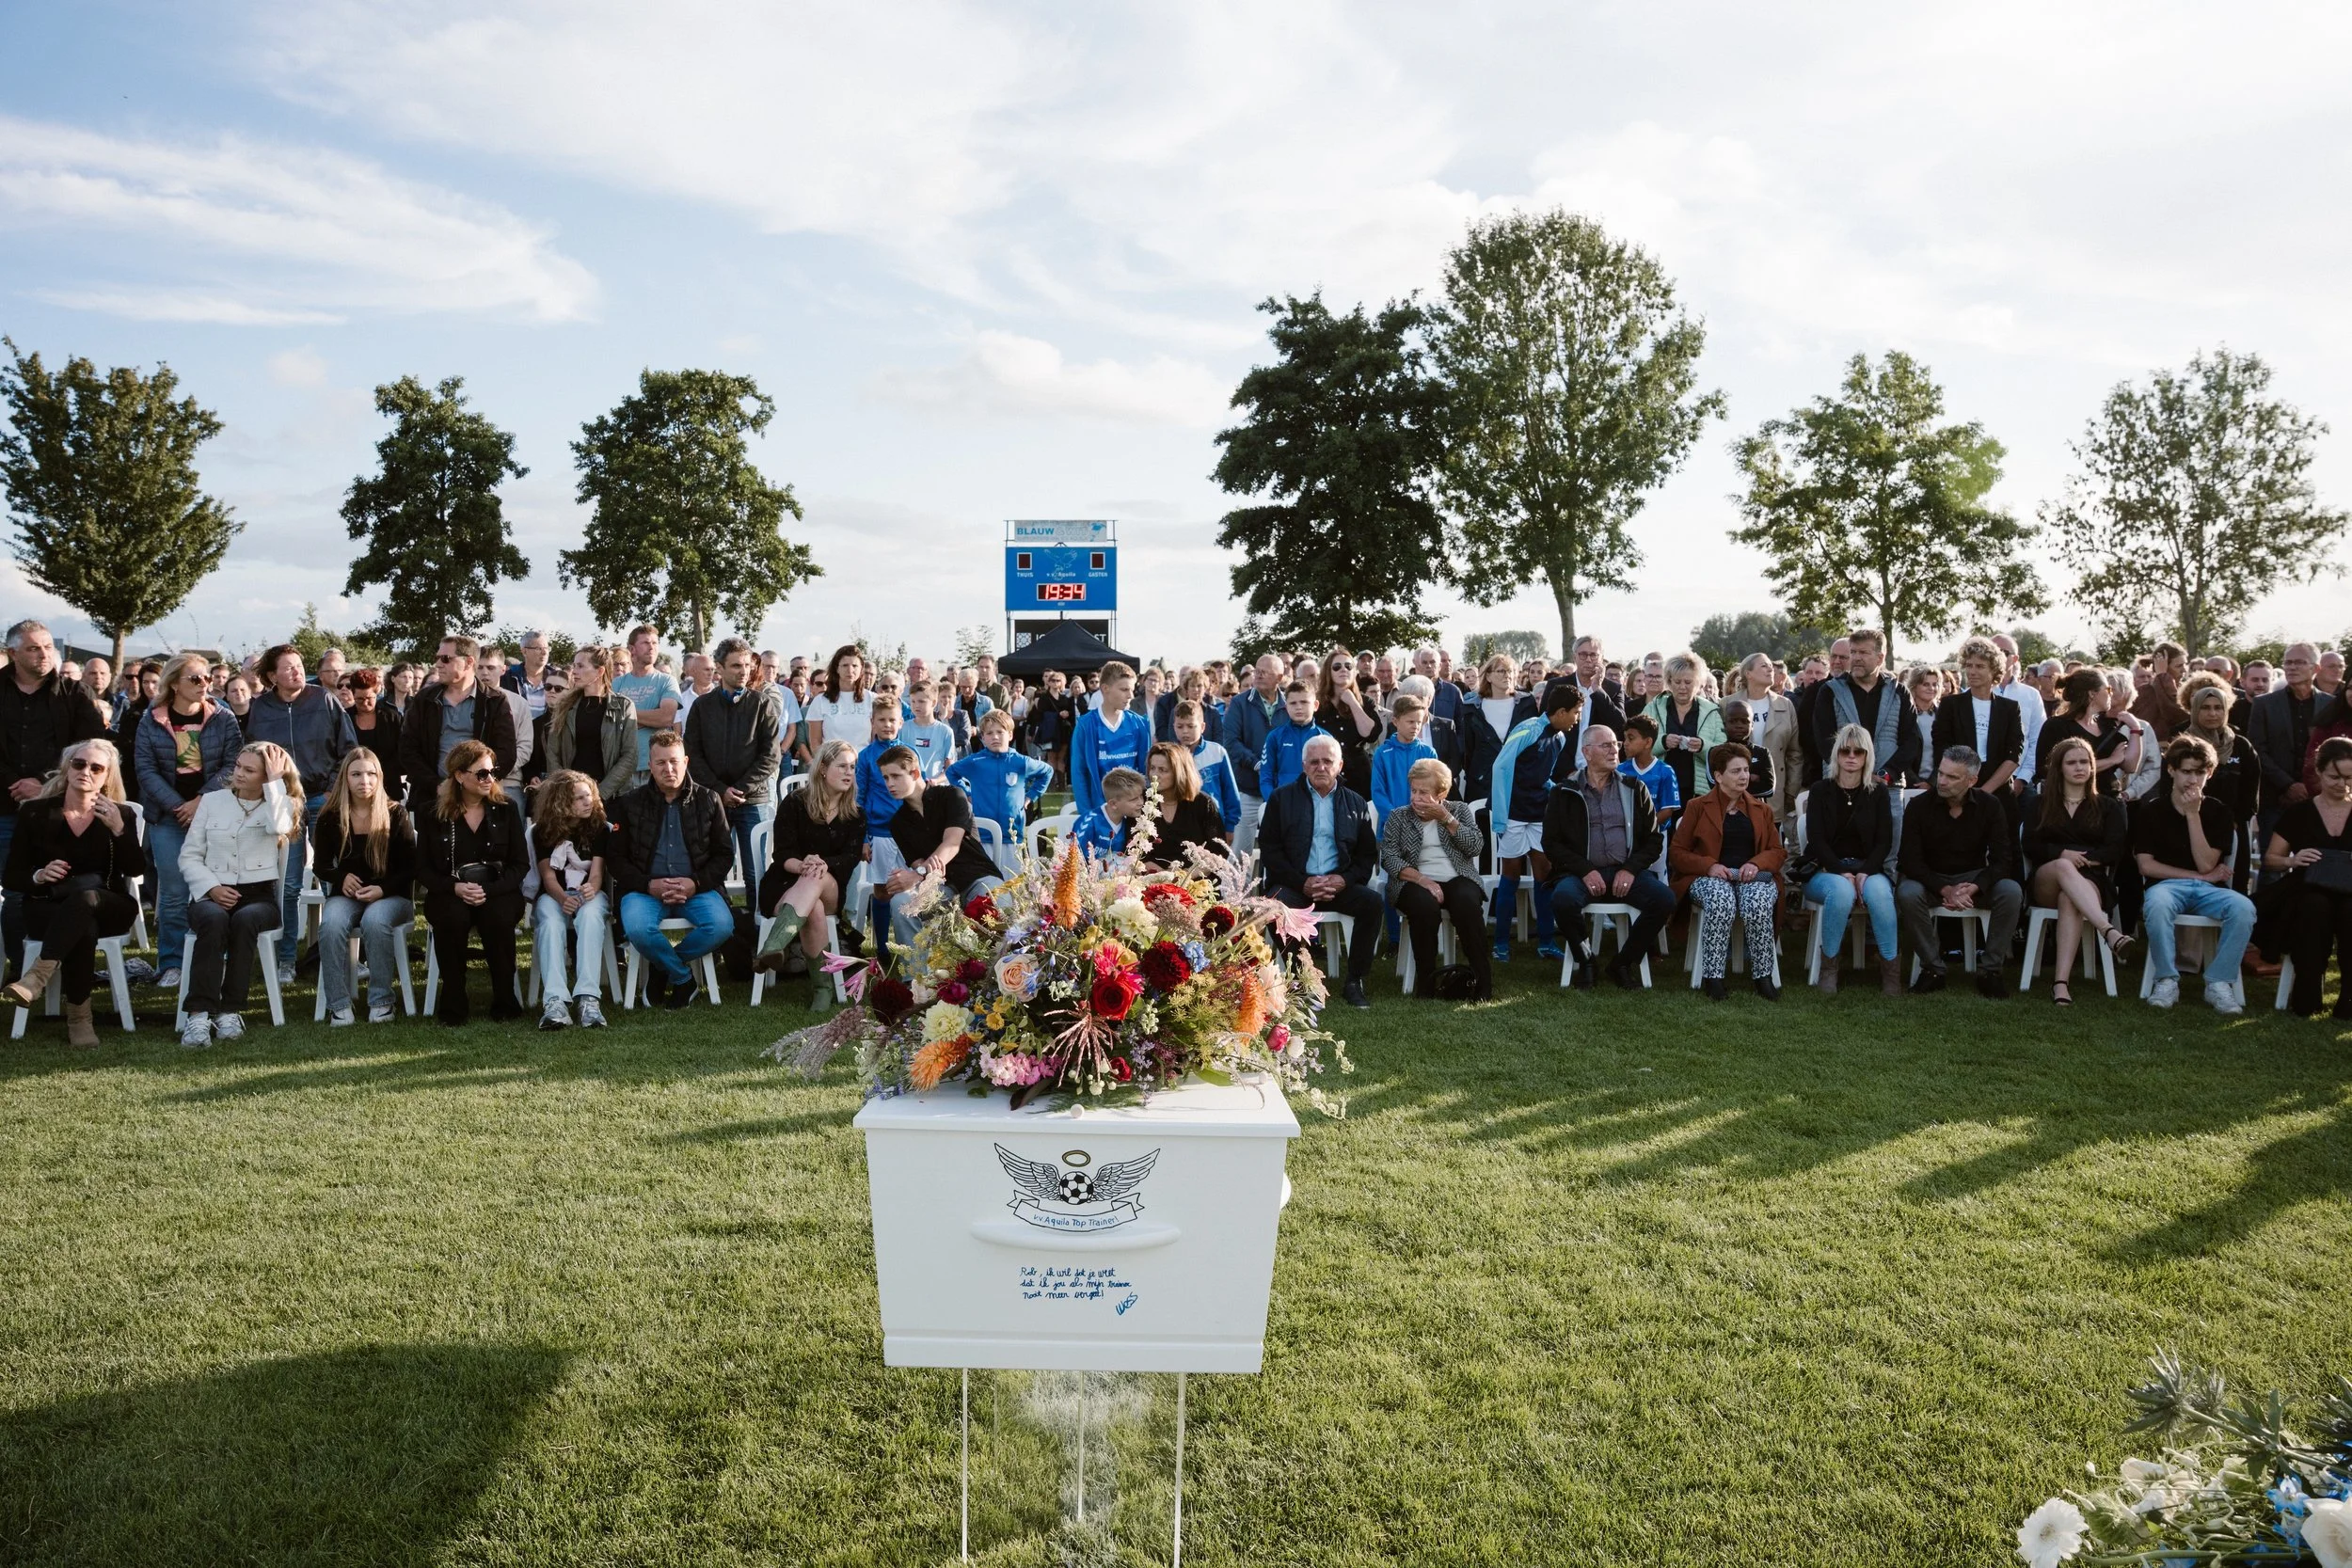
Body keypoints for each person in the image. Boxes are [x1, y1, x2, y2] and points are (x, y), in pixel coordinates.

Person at [0, 738, 140, 1047]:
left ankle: (36, 977)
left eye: (96, 767)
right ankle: (79, 1017)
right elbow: (12, 876)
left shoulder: (120, 814)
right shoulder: (35, 813)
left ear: (107, 777)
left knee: (87, 899)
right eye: (79, 764)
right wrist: (38, 875)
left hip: (109, 903)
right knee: (83, 922)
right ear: (67, 768)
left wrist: (119, 830)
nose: (86, 771)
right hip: (47, 906)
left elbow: (135, 869)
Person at [0, 620, 109, 974]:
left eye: (48, 646)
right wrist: (15, 783)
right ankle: (22, 969)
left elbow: (93, 747)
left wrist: (43, 783)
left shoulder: (75, 694)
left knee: (62, 888)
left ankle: (65, 970)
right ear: (13, 653)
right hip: (4, 807)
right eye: (34, 648)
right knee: (15, 890)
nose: (44, 654)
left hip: (60, 810)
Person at [130, 652, 242, 994]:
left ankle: (213, 958)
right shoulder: (152, 720)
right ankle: (173, 963)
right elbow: (145, 770)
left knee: (213, 889)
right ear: (174, 683)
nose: (204, 684)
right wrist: (180, 806)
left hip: (213, 814)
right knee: (175, 892)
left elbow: (233, 764)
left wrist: (200, 802)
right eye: (195, 679)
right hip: (168, 817)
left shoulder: (223, 718)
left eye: (207, 678)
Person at [177, 740, 303, 1046]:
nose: (240, 774)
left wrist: (275, 783)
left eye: (250, 770)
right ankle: (198, 1015)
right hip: (211, 893)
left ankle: (230, 1011)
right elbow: (189, 855)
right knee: (213, 920)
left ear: (267, 776)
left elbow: (279, 827)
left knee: (246, 920)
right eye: (238, 767)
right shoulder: (212, 801)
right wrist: (212, 888)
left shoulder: (282, 803)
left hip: (258, 897)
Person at [245, 643, 358, 982]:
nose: (297, 671)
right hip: (282, 803)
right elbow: (252, 753)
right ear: (270, 676)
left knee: (330, 878)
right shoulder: (260, 709)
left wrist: (331, 789)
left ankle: (339, 956)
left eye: (298, 665)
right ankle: (286, 960)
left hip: (323, 800)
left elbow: (348, 748)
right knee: (288, 884)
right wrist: (272, 791)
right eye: (288, 667)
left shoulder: (323, 699)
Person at [2134, 734, 2256, 1015]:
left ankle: (2219, 983)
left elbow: (2205, 862)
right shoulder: (2153, 811)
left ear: (2210, 773)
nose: (2193, 780)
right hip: (2165, 886)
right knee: (2158, 904)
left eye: (2200, 772)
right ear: (2171, 770)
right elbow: (2146, 866)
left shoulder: (2219, 811)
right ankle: (2166, 979)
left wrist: (2192, 815)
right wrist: (2200, 877)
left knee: (2243, 908)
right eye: (2186, 772)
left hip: (2209, 891)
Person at [611, 730, 734, 1010]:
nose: (669, 769)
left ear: (686, 761)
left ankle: (663, 968)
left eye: (675, 761)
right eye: (661, 763)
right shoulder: (629, 804)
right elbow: (616, 859)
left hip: (697, 888)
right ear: (650, 765)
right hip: (645, 890)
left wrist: (695, 883)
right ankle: (682, 977)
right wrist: (647, 885)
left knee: (722, 926)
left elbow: (724, 854)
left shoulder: (709, 800)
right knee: (639, 929)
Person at [1543, 726, 1672, 990]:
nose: (1615, 749)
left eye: (1616, 743)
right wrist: (1584, 870)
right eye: (1606, 745)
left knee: (1664, 900)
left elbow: (1653, 840)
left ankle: (1622, 963)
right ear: (1586, 752)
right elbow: (1551, 843)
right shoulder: (1563, 791)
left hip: (1625, 871)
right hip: (1581, 874)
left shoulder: (1634, 788)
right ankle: (1586, 960)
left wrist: (1630, 869)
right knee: (1562, 899)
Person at [1258, 735, 1381, 1008]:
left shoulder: (1355, 803)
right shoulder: (1281, 799)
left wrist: (1343, 879)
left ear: (1340, 765)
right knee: (1274, 906)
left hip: (1339, 885)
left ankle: (1354, 981)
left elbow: (1366, 855)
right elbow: (1271, 851)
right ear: (1304, 766)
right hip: (1295, 885)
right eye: (1314, 762)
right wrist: (1303, 883)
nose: (1321, 767)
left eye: (1328, 761)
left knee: (1372, 903)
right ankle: (1306, 978)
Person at [416, 738, 530, 1026]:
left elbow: (520, 865)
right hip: (449, 890)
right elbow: (423, 869)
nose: (489, 779)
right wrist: (454, 887)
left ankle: (505, 1000)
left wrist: (488, 890)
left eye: (492, 772)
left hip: (499, 888)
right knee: (451, 918)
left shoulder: (506, 807)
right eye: (481, 774)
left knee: (499, 917)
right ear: (459, 775)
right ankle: (454, 1001)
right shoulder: (432, 813)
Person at [1896, 745, 2024, 999]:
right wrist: (1945, 889)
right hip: (1932, 882)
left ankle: (1991, 971)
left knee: (2011, 891)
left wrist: (1975, 886)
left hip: (1973, 881)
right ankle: (1933, 969)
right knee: (1907, 892)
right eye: (1941, 773)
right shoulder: (1919, 806)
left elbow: (2002, 860)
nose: (1942, 781)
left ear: (1972, 780)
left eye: (1952, 777)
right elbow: (1909, 861)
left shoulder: (1990, 806)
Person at [1669, 742, 1785, 1001]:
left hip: (1751, 877)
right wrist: (1709, 865)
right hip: (1708, 877)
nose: (1744, 776)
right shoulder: (1697, 807)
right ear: (1718, 775)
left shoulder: (1762, 809)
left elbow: (1778, 851)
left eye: (1745, 770)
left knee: (1756, 902)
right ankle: (1713, 977)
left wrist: (1756, 864)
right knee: (1720, 900)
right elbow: (1677, 852)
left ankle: (1763, 977)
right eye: (1736, 771)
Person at [2022, 735, 2132, 1006]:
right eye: (2072, 763)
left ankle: (2061, 984)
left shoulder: (2108, 806)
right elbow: (2030, 844)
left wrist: (2086, 860)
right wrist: (2063, 854)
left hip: (2091, 880)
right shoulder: (2040, 803)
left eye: (2085, 762)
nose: (2080, 767)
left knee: (2069, 898)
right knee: (2062, 865)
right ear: (2060, 768)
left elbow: (2116, 849)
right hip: (2047, 879)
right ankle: (2109, 932)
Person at [311, 749, 417, 1026]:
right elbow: (320, 865)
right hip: (347, 895)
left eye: (371, 774)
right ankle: (339, 1004)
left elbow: (411, 867)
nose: (364, 781)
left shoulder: (396, 813)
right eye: (356, 774)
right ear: (345, 778)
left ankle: (381, 1000)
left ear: (380, 777)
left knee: (375, 920)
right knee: (331, 924)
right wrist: (340, 878)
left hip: (391, 895)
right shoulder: (330, 816)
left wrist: (382, 890)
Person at [755, 739, 864, 997]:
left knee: (818, 875)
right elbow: (782, 854)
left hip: (831, 888)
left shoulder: (856, 814)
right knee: (811, 901)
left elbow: (850, 858)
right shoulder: (795, 803)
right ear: (823, 768)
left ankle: (775, 944)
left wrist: (823, 864)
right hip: (784, 884)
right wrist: (804, 865)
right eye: (842, 766)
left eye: (852, 767)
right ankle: (822, 990)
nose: (849, 773)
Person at [1800, 724, 1900, 997]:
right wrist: (1843, 872)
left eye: (1859, 751)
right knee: (1841, 891)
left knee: (1880, 893)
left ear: (1868, 756)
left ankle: (1891, 971)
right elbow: (1816, 840)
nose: (1851, 756)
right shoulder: (1821, 790)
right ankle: (1829, 968)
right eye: (1845, 750)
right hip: (1825, 869)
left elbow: (1884, 841)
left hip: (1867, 869)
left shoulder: (1877, 792)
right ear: (1837, 754)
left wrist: (1865, 873)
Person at [873, 744, 1004, 950]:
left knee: (997, 900)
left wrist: (917, 874)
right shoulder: (898, 823)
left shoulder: (952, 795)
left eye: (895, 776)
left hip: (976, 876)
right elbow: (920, 864)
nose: (890, 784)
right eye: (886, 778)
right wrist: (915, 876)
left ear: (915, 773)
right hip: (940, 885)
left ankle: (1003, 973)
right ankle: (915, 979)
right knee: (901, 904)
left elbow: (951, 844)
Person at [1487, 683, 1583, 962]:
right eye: (1575, 713)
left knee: (1545, 876)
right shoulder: (1529, 729)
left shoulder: (1561, 739)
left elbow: (1541, 776)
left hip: (1540, 816)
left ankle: (1546, 942)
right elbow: (1500, 766)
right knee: (1511, 877)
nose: (1577, 719)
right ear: (1562, 711)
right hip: (1515, 815)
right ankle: (1501, 944)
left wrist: (1560, 789)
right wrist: (1501, 815)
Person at [2257, 735, 2352, 1018]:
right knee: (2314, 907)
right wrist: (2293, 859)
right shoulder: (2300, 812)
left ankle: (2348, 1001)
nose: (2342, 784)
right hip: (2308, 888)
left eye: (2349, 778)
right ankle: (2307, 994)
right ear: (2319, 771)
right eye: (2335, 776)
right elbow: (2271, 860)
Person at [1379, 757, 1490, 1000]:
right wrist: (1423, 880)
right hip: (1413, 881)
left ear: (1441, 793)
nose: (1416, 797)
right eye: (1414, 791)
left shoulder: (1459, 811)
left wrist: (1446, 818)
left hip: (1457, 877)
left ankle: (1483, 981)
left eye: (1424, 792)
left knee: (1467, 903)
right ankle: (1426, 983)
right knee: (1424, 906)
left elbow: (1475, 847)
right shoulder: (1399, 817)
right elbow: (1389, 858)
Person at [683, 637, 783, 902]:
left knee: (755, 873)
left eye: (747, 665)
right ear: (720, 668)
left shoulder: (762, 705)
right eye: (736, 665)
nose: (743, 671)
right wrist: (719, 790)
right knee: (710, 870)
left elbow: (771, 755)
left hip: (752, 800)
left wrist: (739, 789)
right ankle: (724, 931)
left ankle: (758, 931)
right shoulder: (702, 707)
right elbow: (692, 754)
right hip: (712, 800)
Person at [529, 768, 612, 1030]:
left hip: (589, 891)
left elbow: (597, 873)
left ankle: (588, 998)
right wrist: (563, 897)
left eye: (589, 796)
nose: (588, 801)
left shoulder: (599, 828)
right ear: (561, 801)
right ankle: (555, 1001)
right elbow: (548, 877)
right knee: (551, 921)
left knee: (590, 915)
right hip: (555, 893)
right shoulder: (542, 830)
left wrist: (591, 889)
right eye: (579, 798)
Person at [398, 635, 516, 818]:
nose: (438, 664)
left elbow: (506, 753)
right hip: (431, 797)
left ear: (469, 662)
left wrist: (477, 783)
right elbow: (407, 748)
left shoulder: (494, 701)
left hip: (480, 801)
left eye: (445, 659)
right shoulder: (425, 699)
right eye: (437, 657)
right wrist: (437, 785)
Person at [2178, 671, 2260, 890]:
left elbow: (2251, 791)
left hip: (2233, 826)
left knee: (2235, 885)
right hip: (2190, 822)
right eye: (2205, 707)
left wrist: (2233, 821)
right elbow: (2171, 786)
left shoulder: (2241, 745)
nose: (2212, 713)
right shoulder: (2183, 743)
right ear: (2195, 710)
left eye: (2218, 707)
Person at [1931, 638, 2025, 811]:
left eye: (1980, 666)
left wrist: (1985, 791)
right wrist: (1963, 788)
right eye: (1969, 665)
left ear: (1994, 670)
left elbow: (2013, 755)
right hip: (1956, 790)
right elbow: (1941, 747)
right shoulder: (1950, 705)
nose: (1972, 671)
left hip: (1999, 792)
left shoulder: (2010, 709)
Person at [540, 646, 641, 806]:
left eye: (580, 666)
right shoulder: (565, 705)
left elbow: (630, 756)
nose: (574, 671)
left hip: (611, 798)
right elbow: (553, 752)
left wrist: (599, 795)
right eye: (574, 666)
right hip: (570, 797)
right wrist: (566, 789)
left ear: (600, 672)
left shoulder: (624, 706)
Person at [2248, 642, 2323, 842]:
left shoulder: (2330, 704)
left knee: (2312, 862)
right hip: (2275, 798)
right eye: (2288, 662)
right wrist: (2288, 785)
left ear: (2315, 668)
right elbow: (2257, 749)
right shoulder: (2264, 704)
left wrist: (2311, 786)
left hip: (2319, 798)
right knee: (2271, 865)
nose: (2291, 667)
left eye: (2299, 662)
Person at [1814, 629, 1905, 789]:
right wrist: (1854, 774)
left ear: (1880, 658)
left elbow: (1910, 740)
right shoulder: (1830, 691)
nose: (1856, 657)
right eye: (1853, 652)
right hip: (1841, 786)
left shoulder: (1899, 692)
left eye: (1863, 652)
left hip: (1888, 787)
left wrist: (1887, 773)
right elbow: (1823, 738)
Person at [946, 709, 1054, 843]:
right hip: (982, 835)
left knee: (1012, 864)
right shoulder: (975, 762)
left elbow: (1047, 771)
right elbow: (951, 772)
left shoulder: (1021, 762)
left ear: (1010, 735)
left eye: (1000, 732)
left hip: (1013, 835)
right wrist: (967, 793)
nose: (995, 737)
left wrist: (1030, 797)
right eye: (990, 733)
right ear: (983, 738)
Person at [1071, 660, 1152, 818]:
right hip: (1100, 810)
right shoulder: (1086, 725)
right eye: (1124, 689)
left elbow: (1145, 769)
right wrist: (1087, 814)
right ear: (1105, 689)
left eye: (1132, 689)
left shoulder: (1139, 724)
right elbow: (1078, 772)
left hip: (1133, 812)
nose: (1130, 695)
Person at [1644, 652, 1725, 805]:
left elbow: (1723, 753)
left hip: (1698, 794)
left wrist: (1702, 746)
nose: (1682, 687)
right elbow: (1637, 746)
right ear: (1669, 681)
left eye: (1688, 682)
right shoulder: (1653, 707)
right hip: (1658, 790)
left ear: (1699, 684)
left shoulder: (1712, 711)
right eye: (1677, 681)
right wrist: (1663, 742)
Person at [2033, 668, 2129, 799]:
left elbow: (2131, 766)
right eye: (2108, 689)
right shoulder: (2057, 726)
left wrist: (2136, 730)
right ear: (2092, 694)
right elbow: (2047, 770)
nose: (2111, 694)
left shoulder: (2106, 726)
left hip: (2109, 801)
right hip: (2071, 802)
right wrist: (2111, 761)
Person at [612, 626, 682, 785]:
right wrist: (649, 718)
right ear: (632, 649)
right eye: (646, 643)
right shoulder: (616, 684)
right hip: (622, 767)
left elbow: (666, 717)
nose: (652, 647)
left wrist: (627, 716)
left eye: (655, 643)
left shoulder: (666, 681)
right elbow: (612, 721)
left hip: (656, 767)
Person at [1140, 742, 1230, 868]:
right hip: (1151, 878)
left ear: (1179, 772)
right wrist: (1162, 878)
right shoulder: (1143, 801)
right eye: (1152, 768)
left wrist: (1185, 878)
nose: (1155, 775)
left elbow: (1218, 851)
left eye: (1162, 770)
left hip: (1196, 879)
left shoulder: (1203, 803)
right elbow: (1134, 848)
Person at [1460, 655, 1532, 806]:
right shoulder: (1470, 708)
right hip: (1482, 782)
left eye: (1511, 671)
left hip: (1520, 780)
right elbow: (1468, 749)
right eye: (1501, 671)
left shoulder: (1527, 704)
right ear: (1489, 676)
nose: (1508, 675)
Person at [1369, 694, 1439, 832]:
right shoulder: (1383, 754)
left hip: (1423, 828)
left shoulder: (1429, 753)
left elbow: (1436, 791)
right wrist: (1397, 821)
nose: (1416, 727)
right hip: (1391, 829)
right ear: (1395, 721)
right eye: (1410, 722)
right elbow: (1378, 792)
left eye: (1419, 722)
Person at [1171, 700, 1242, 833]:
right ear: (1174, 726)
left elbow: (1230, 791)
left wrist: (1230, 826)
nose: (1185, 731)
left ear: (1202, 727)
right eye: (1180, 727)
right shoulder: (1169, 755)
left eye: (1191, 726)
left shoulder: (1217, 752)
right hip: (1180, 825)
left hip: (1214, 823)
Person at [1314, 657, 1381, 797]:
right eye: (1337, 666)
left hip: (1358, 774)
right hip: (1326, 772)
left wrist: (1353, 702)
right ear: (1328, 671)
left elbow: (1370, 734)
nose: (1343, 669)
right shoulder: (1318, 703)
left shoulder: (1364, 701)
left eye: (1348, 666)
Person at [343, 666, 403, 802]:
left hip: (388, 785)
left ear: (377, 692)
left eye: (370, 698)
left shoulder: (392, 717)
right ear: (352, 694)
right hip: (354, 787)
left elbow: (402, 749)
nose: (365, 703)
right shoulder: (345, 718)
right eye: (359, 699)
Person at [1617, 714, 1681, 828]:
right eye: (1625, 738)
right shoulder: (1620, 770)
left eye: (1631, 738)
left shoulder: (1665, 771)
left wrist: (1644, 828)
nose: (1625, 743)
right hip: (1625, 834)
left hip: (1657, 835)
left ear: (1648, 742)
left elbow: (1667, 810)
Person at [1073, 767, 1147, 862]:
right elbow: (1074, 860)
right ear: (1113, 804)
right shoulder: (1089, 822)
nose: (1141, 802)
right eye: (1134, 799)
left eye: (1140, 796)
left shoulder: (1131, 822)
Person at [898, 679, 957, 777]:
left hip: (935, 787)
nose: (916, 705)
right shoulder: (903, 728)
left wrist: (936, 781)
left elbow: (949, 768)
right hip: (909, 787)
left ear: (933, 703)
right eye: (913, 701)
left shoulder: (946, 732)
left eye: (921, 701)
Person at [501, 631, 554, 722]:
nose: (544, 652)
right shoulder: (509, 678)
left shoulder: (556, 679)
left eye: (547, 648)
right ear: (524, 651)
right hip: (517, 734)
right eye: (539, 648)